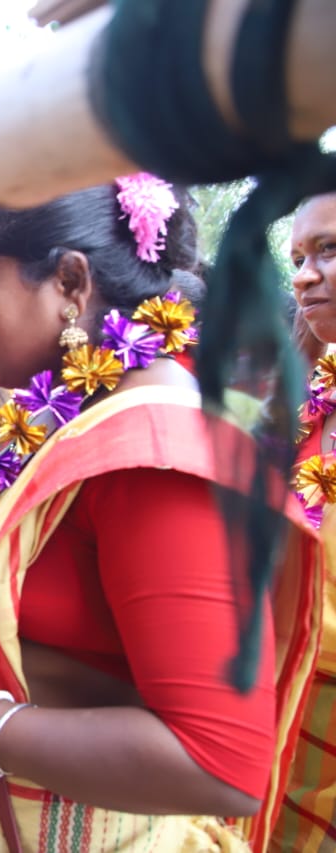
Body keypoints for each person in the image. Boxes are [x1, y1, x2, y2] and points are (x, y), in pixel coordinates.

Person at [0, 178, 315, 850]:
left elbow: (218, 762)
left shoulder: (157, 455)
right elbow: (45, 658)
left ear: (71, 283)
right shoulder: (64, 423)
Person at [278, 190, 336, 849]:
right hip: (275, 726)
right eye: (297, 256)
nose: (302, 274)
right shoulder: (306, 398)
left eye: (329, 250)